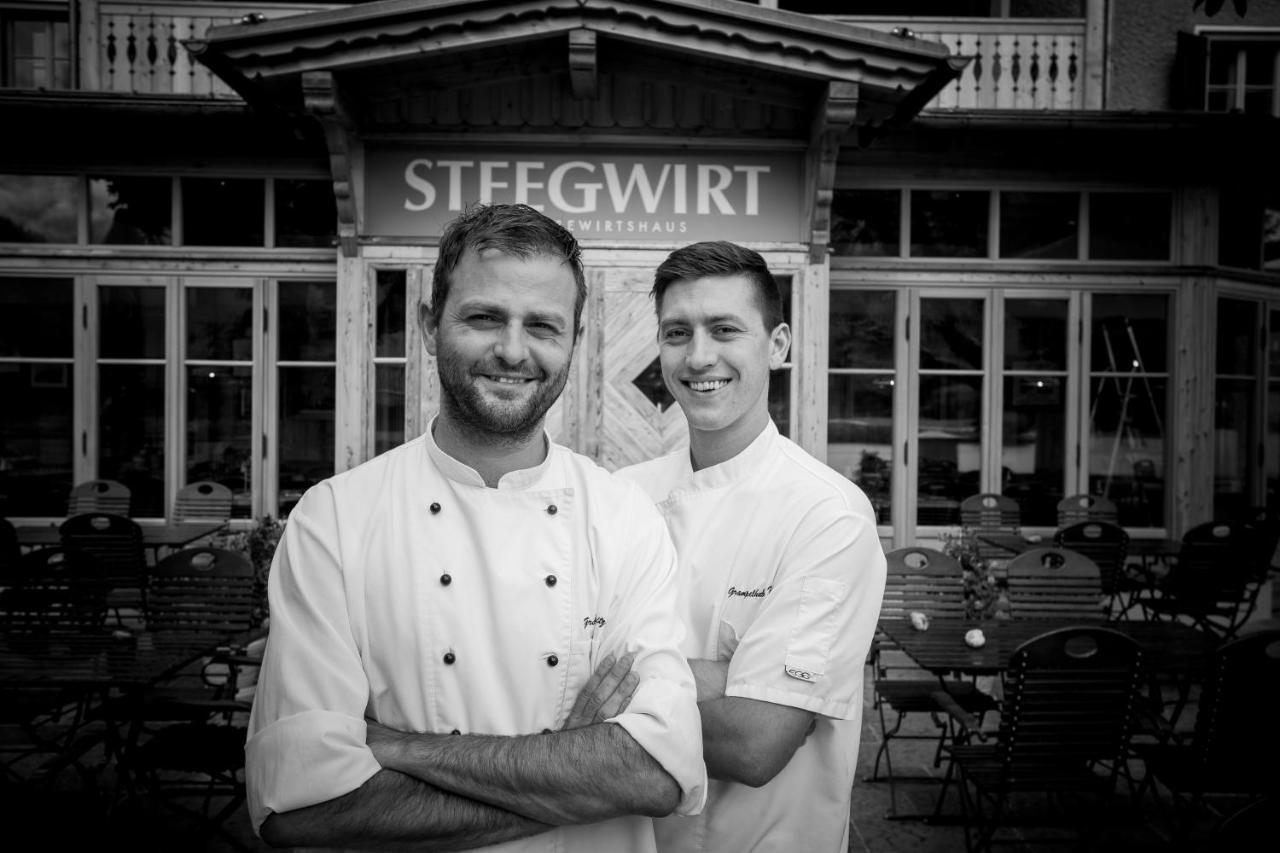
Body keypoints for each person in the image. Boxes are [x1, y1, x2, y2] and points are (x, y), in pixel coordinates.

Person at [245, 203, 706, 852]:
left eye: (543, 325)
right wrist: (574, 771)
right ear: (430, 325)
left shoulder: (624, 518)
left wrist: (399, 746)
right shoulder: (336, 520)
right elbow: (300, 805)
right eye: (485, 316)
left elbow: (657, 771)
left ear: (574, 341)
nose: (513, 349)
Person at [617, 241, 887, 852]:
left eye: (725, 329)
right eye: (677, 332)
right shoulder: (622, 497)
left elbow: (756, 742)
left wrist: (617, 689)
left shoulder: (828, 515)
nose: (699, 355)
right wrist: (724, 678)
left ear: (778, 345)